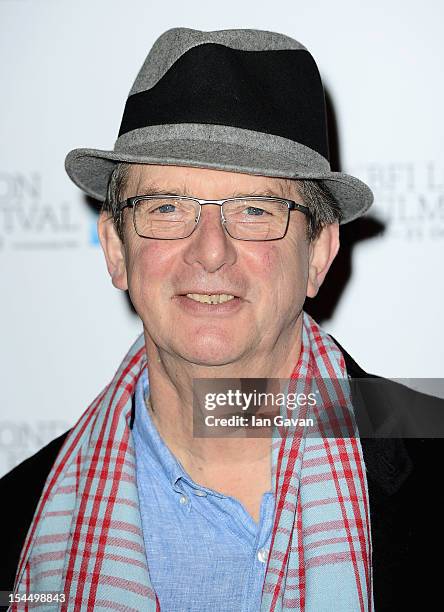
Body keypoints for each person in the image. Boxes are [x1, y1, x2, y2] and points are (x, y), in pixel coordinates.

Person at [1, 27, 443, 612]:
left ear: (318, 253)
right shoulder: (15, 522)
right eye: (165, 207)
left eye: (255, 210)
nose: (210, 252)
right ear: (115, 249)